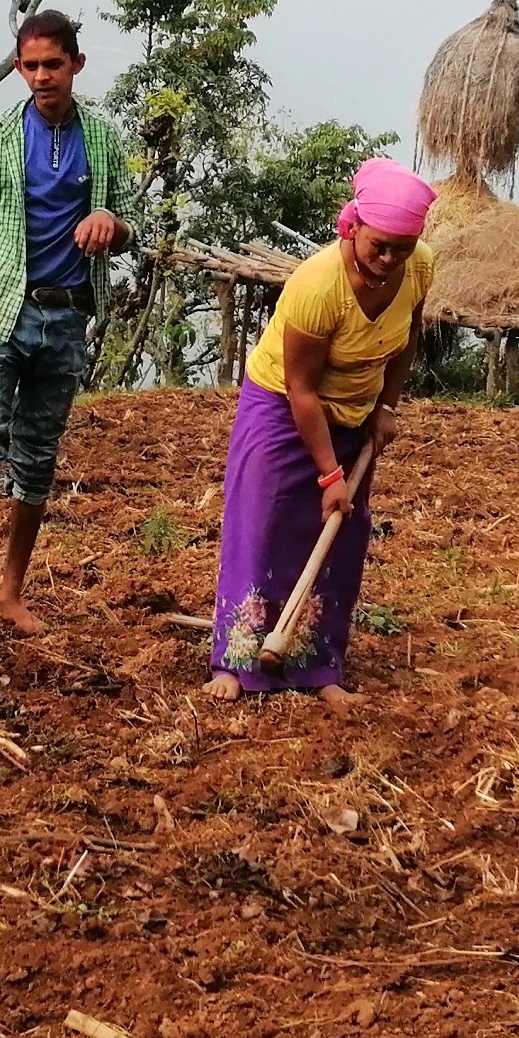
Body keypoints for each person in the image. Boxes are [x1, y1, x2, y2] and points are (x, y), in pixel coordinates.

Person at [0, 10, 136, 642]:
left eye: (52, 64)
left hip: (68, 314)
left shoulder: (102, 137)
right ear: (20, 69)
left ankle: (11, 593)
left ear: (76, 63)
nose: (42, 77)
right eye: (30, 66)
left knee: (39, 459)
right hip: (0, 313)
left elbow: (131, 227)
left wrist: (110, 221)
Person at [203, 158, 439, 705]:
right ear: (353, 228)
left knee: (341, 537)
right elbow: (301, 390)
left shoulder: (419, 267)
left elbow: (406, 339)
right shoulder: (316, 285)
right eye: (379, 245)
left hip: (357, 409)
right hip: (283, 407)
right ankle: (234, 663)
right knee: (262, 524)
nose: (389, 259)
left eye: (401, 249)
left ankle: (318, 667)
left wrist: (386, 406)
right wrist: (330, 473)